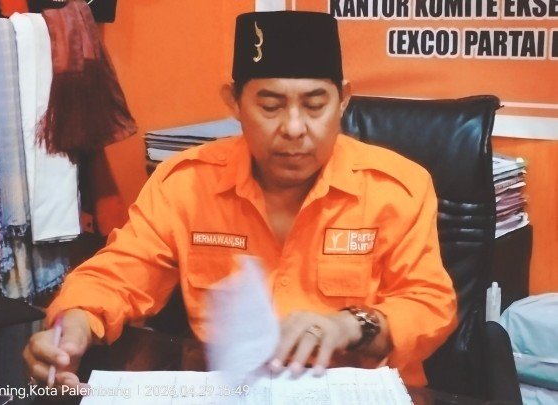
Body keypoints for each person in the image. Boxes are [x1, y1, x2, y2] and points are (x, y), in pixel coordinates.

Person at [24, 11, 457, 389]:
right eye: (270, 106)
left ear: (343, 100)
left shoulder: (396, 187)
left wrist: (351, 325)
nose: (293, 128)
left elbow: (429, 304)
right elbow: (119, 275)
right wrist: (74, 322)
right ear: (234, 102)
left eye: (314, 105)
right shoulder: (187, 184)